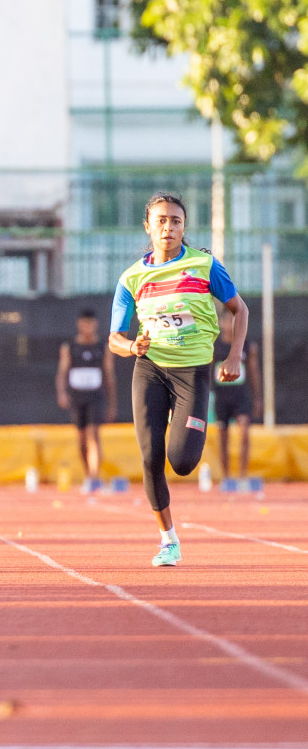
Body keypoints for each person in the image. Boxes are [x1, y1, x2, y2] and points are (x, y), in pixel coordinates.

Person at [108, 192, 247, 567]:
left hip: (193, 371)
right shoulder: (132, 278)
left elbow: (239, 308)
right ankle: (168, 539)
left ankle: (180, 422)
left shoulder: (204, 265)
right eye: (161, 220)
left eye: (175, 221)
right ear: (148, 226)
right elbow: (114, 338)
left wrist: (233, 356)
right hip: (150, 368)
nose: (168, 227)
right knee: (150, 455)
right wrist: (130, 346)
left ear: (184, 227)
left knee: (182, 462)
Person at [56, 309, 117, 484]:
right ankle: (88, 473)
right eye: (85, 323)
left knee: (93, 435)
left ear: (96, 324)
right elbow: (62, 372)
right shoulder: (70, 347)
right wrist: (62, 392)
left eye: (91, 323)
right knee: (81, 439)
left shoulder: (102, 347)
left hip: (96, 395)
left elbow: (109, 375)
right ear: (79, 324)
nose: (88, 327)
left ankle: (94, 477)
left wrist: (112, 404)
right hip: (77, 396)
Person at [211, 310, 262, 482]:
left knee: (244, 432)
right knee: (222, 435)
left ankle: (242, 475)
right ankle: (226, 476)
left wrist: (257, 399)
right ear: (221, 323)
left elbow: (254, 372)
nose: (232, 325)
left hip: (241, 395)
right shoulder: (214, 347)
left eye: (236, 321)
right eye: (228, 321)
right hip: (222, 396)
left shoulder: (247, 346)